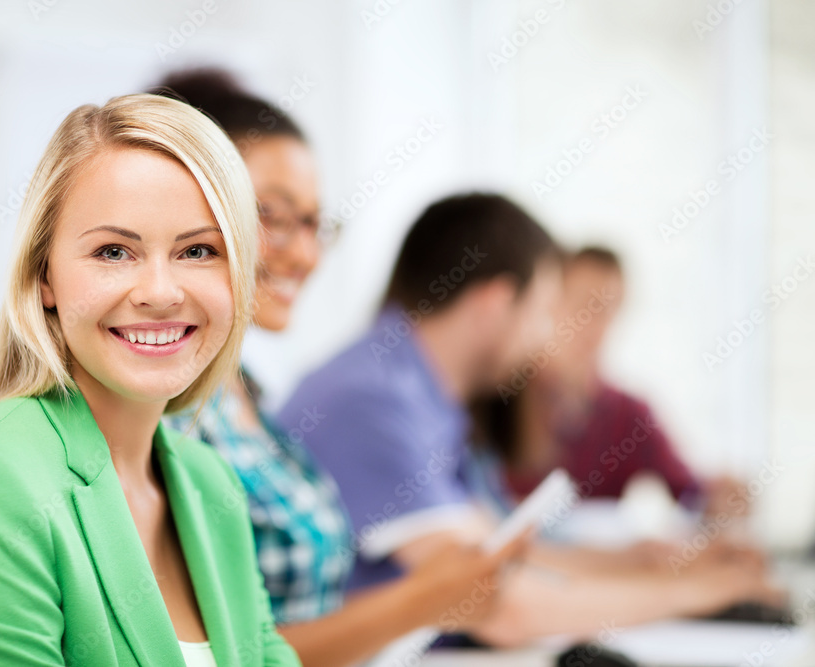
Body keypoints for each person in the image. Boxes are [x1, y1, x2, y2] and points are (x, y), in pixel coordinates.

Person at [279, 194, 780, 647]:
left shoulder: (429, 398)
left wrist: (648, 562)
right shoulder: (371, 400)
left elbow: (500, 551)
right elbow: (498, 603)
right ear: (495, 304)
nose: (545, 337)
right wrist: (693, 592)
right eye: (543, 311)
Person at [0, 93, 300, 665]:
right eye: (114, 251)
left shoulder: (208, 481)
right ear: (44, 276)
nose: (161, 292)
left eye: (198, 250)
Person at [154, 70, 526, 666]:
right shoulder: (163, 415)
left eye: (315, 224)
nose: (304, 253)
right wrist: (424, 600)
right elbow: (219, 655)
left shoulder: (247, 396)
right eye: (273, 214)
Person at [480, 245, 747, 518]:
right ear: (548, 303)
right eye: (582, 304)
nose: (594, 323)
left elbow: (691, 492)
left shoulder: (630, 414)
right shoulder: (498, 396)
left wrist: (721, 498)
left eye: (607, 309)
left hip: (602, 559)